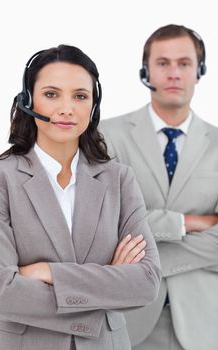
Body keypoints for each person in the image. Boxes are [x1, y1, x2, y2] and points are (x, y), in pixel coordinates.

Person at [0, 44, 161, 350]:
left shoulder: (119, 179)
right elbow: (3, 294)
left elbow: (146, 283)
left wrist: (49, 272)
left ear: (93, 105)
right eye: (51, 94)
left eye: (80, 96)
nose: (67, 108)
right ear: (28, 100)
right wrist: (108, 283)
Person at [100, 24, 218, 350]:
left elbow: (126, 233)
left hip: (204, 326)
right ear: (145, 71)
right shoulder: (106, 136)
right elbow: (105, 224)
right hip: (128, 320)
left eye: (184, 63)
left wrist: (143, 263)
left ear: (199, 72)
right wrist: (186, 223)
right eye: (163, 63)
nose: (174, 73)